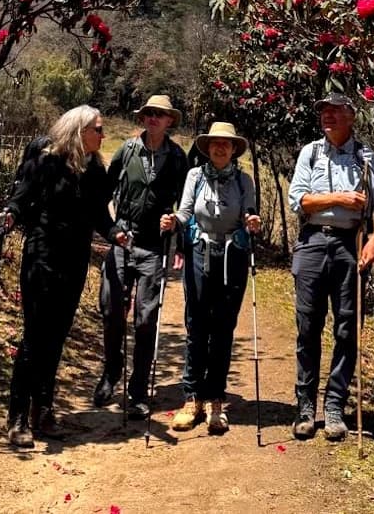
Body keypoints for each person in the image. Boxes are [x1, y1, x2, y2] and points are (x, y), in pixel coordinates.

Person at [0, 105, 128, 448]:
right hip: (42, 257)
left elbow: (100, 215)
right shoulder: (46, 161)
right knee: (34, 337)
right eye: (97, 129)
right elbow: (21, 198)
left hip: (74, 261)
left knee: (56, 337)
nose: (102, 133)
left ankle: (44, 409)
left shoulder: (95, 170)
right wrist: (10, 214)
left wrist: (115, 234)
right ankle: (18, 417)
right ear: (79, 131)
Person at [288, 92, 374, 441]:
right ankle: (305, 405)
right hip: (312, 243)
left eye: (335, 110)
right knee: (308, 326)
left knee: (347, 328)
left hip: (350, 245)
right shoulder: (310, 152)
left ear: (351, 116)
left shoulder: (366, 158)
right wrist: (340, 199)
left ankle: (334, 405)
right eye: (324, 110)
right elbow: (299, 200)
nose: (328, 116)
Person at [160, 122, 260, 434]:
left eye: (226, 144)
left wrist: (253, 222)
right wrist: (173, 220)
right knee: (197, 323)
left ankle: (216, 399)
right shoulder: (195, 175)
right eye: (215, 143)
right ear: (207, 147)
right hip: (199, 254)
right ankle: (193, 398)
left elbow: (250, 213)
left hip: (233, 256)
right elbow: (186, 211)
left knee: (223, 326)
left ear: (233, 150)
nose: (219, 148)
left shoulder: (244, 181)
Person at [93, 94, 188, 419]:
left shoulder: (178, 158)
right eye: (148, 113)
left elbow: (185, 204)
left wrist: (175, 225)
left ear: (169, 121)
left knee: (146, 319)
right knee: (110, 308)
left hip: (154, 246)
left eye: (159, 115)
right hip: (123, 239)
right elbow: (103, 195)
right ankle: (111, 371)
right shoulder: (127, 149)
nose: (153, 118)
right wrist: (109, 229)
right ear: (142, 118)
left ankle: (137, 390)